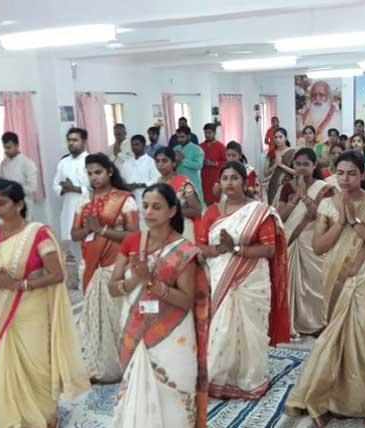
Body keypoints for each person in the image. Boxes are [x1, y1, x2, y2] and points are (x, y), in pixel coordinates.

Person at [285, 150, 365, 427]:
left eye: (352, 173)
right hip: (335, 280)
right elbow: (319, 247)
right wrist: (342, 222)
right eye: (340, 173)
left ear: (363, 174)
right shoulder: (327, 206)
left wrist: (356, 221)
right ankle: (328, 398)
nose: (345, 179)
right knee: (333, 341)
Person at [0, 179, 89, 427]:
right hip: (1, 306)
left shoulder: (38, 233)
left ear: (19, 205)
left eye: (3, 203)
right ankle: (12, 416)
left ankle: (42, 414)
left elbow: (57, 274)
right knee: (7, 362)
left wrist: (18, 285)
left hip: (31, 309)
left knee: (36, 362)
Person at [110, 183, 209, 427]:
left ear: (172, 211)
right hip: (136, 327)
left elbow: (186, 300)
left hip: (172, 334)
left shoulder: (184, 250)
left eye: (156, 207)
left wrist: (152, 283)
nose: (149, 212)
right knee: (136, 388)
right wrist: (134, 280)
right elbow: (113, 287)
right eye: (145, 206)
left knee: (172, 392)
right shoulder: (132, 242)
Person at [199, 161, 289, 399]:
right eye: (225, 178)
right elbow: (201, 247)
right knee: (221, 324)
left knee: (251, 327)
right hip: (221, 276)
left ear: (244, 181)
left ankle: (250, 379)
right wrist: (221, 248)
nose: (229, 182)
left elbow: (269, 250)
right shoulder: (211, 212)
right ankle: (219, 378)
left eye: (234, 178)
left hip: (252, 279)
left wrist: (236, 248)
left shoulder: (259, 211)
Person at [72, 153, 139, 383]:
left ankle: (127, 363)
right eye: (90, 173)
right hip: (91, 263)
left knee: (118, 316)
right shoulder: (84, 201)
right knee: (95, 319)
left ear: (110, 171)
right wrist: (90, 229)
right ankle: (101, 366)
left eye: (98, 172)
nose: (94, 177)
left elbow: (134, 234)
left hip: (116, 264)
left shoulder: (124, 200)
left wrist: (101, 230)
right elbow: (74, 234)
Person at [277, 148, 334, 336]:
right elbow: (280, 217)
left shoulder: (323, 188)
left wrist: (304, 196)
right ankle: (292, 322)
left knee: (315, 281)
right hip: (291, 240)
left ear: (314, 166)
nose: (301, 168)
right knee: (289, 282)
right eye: (298, 164)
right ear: (292, 165)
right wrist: (294, 199)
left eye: (306, 164)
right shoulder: (286, 187)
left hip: (313, 240)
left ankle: (316, 322)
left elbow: (324, 216)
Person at [53, 127, 89, 284]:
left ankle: (89, 277)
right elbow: (55, 184)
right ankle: (82, 279)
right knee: (73, 246)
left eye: (75, 140)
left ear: (84, 142)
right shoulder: (63, 162)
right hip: (68, 207)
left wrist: (74, 188)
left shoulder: (90, 161)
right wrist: (63, 188)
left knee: (88, 243)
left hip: (86, 207)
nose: (71, 143)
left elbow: (96, 186)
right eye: (69, 140)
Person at [154, 147, 202, 242]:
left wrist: (171, 211)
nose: (160, 165)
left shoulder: (184, 183)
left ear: (174, 163)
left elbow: (196, 210)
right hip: (164, 230)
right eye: (157, 161)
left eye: (164, 161)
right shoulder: (158, 182)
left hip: (183, 229)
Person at [121, 134, 160, 228]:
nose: (134, 147)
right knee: (131, 223)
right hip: (129, 198)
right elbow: (121, 179)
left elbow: (157, 179)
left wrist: (140, 185)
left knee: (145, 224)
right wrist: (126, 186)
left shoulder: (150, 162)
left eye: (137, 144)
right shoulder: (126, 163)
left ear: (144, 146)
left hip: (145, 197)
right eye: (132, 145)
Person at [0, 131, 39, 218]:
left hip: (24, 205)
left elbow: (32, 188)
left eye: (9, 148)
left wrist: (13, 189)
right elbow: (0, 182)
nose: (6, 151)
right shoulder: (4, 164)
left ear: (17, 145)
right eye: (4, 148)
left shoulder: (27, 163)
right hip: (8, 206)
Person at [173, 125, 205, 205]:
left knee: (195, 208)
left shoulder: (197, 149)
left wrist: (183, 160)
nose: (180, 139)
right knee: (180, 207)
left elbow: (198, 165)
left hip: (192, 182)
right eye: (178, 137)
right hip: (178, 182)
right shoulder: (176, 149)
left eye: (182, 137)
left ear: (189, 136)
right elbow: (173, 165)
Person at [264, 127, 296, 206]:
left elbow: (297, 172)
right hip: (273, 186)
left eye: (280, 137)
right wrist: (275, 165)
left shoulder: (293, 152)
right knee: (273, 210)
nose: (278, 139)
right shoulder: (271, 153)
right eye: (276, 137)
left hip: (287, 185)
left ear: (285, 138)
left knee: (284, 211)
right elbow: (265, 173)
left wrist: (282, 166)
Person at [200, 123, 226, 206]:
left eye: (209, 133)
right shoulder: (200, 146)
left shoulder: (220, 146)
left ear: (214, 133)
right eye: (205, 133)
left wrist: (214, 163)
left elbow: (226, 162)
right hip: (204, 178)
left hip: (216, 177)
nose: (207, 135)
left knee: (218, 202)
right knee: (207, 201)